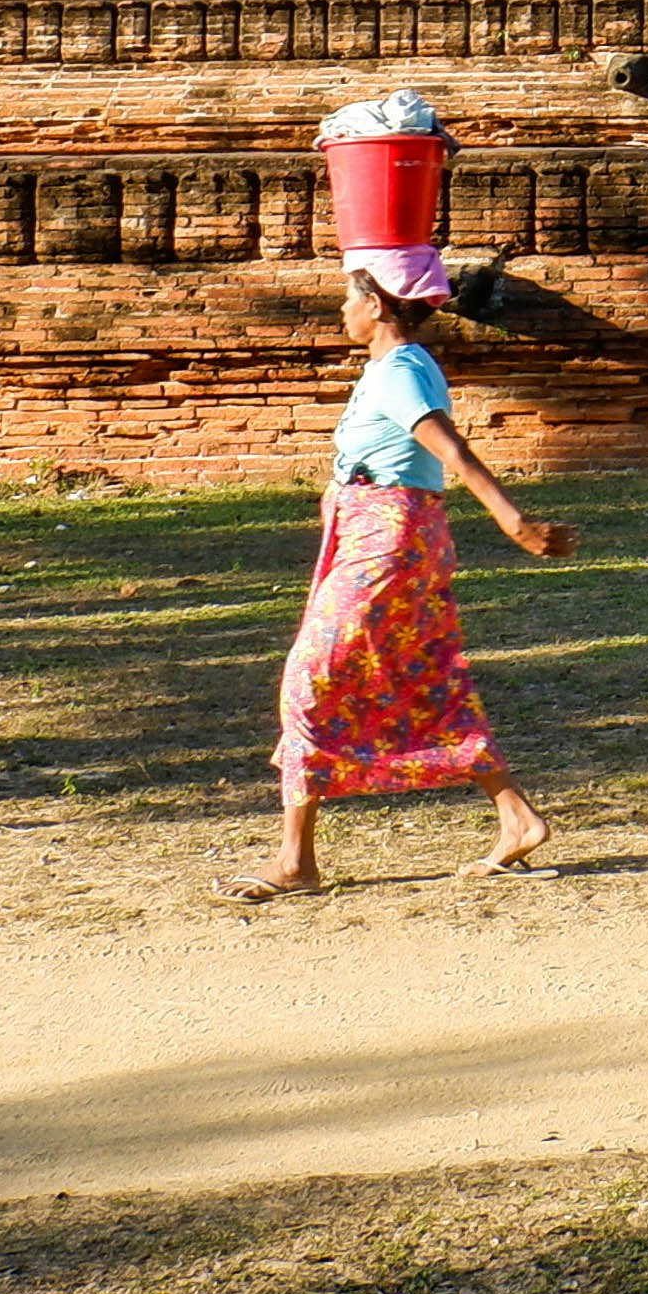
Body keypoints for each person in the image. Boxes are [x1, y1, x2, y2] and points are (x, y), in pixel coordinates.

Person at [230, 254, 569, 898]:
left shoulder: (400, 373)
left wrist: (512, 520)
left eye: (348, 299)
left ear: (377, 306)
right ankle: (515, 816)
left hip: (385, 542)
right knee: (420, 674)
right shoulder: (399, 368)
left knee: (310, 678)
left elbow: (452, 449)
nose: (341, 312)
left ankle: (296, 862)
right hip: (390, 537)